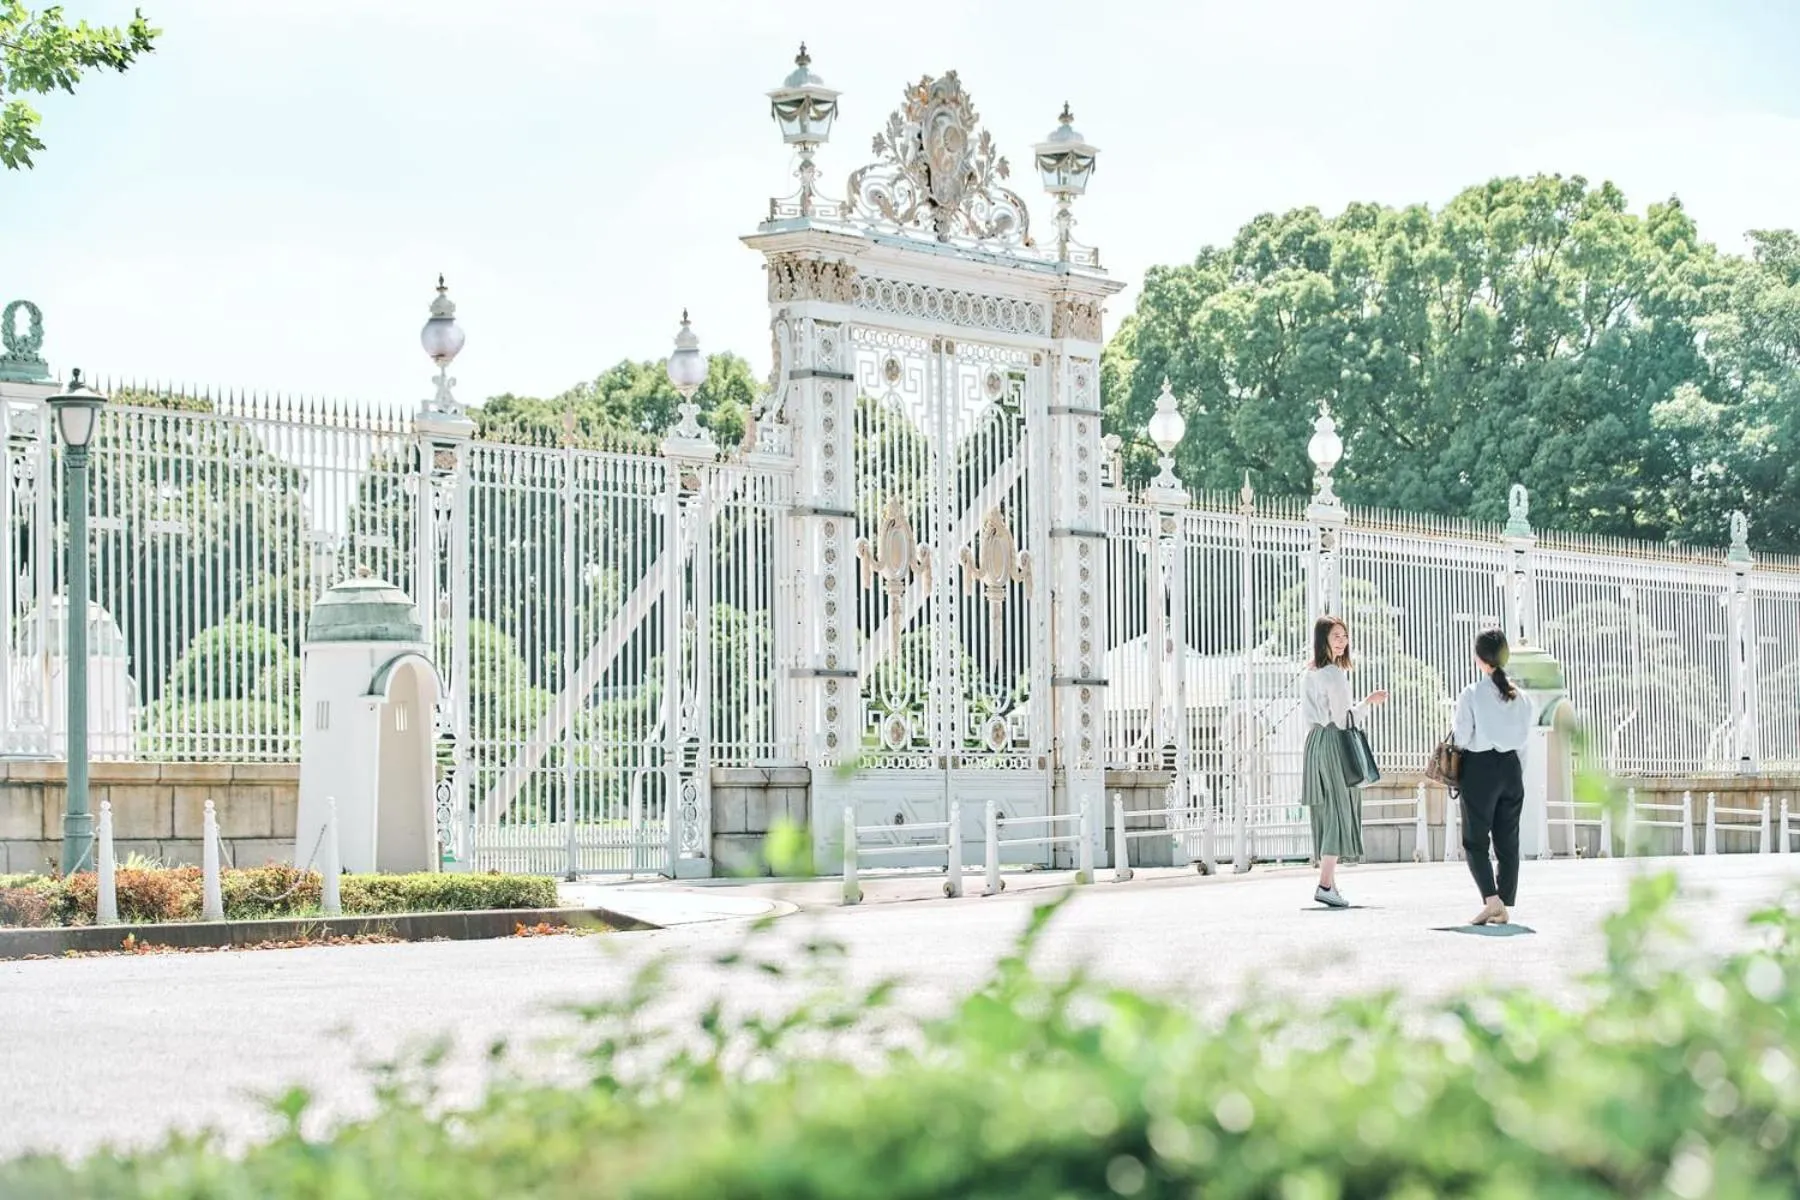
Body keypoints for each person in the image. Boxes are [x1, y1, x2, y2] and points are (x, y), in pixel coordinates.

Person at [1300, 615, 1388, 908]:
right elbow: (1343, 719)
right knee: (1339, 809)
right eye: (1336, 636)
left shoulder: (1310, 672)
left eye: (1344, 636)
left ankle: (1330, 884)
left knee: (1326, 810)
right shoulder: (1334, 674)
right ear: (1323, 639)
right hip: (1334, 741)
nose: (1342, 641)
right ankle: (1325, 884)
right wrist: (1368, 702)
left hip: (1314, 742)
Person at [1452, 628, 1537, 926]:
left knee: (1475, 840)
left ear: (1478, 658)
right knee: (1507, 840)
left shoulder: (1472, 693)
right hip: (1512, 768)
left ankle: (1492, 901)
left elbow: (1462, 737)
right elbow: (1525, 744)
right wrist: (1514, 775)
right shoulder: (1523, 698)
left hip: (1480, 768)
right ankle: (1503, 901)